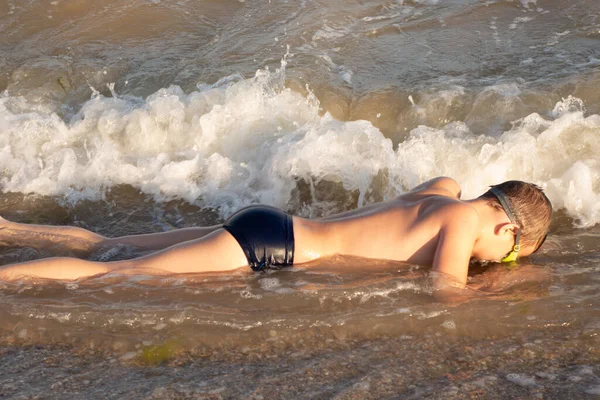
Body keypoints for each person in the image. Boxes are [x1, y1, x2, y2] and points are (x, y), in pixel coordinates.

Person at [0, 177, 552, 293]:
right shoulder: (464, 223)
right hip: (273, 249)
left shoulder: (446, 193)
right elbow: (446, 291)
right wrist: (499, 288)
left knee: (102, 242)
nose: (494, 261)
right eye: (505, 256)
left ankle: (9, 229)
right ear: (504, 227)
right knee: (111, 272)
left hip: (271, 223)